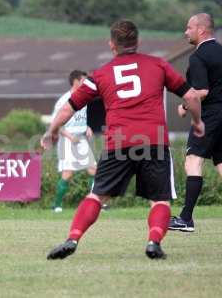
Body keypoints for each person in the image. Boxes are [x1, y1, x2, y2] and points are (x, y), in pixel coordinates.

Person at [41, 19, 205, 260]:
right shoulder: (158, 65)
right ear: (137, 42)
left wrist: (52, 131)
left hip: (118, 142)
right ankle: (153, 242)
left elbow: (68, 107)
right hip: (153, 141)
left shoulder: (100, 75)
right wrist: (197, 122)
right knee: (159, 199)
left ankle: (73, 238)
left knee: (96, 195)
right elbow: (191, 96)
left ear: (111, 45)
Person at [169, 13, 222, 232]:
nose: (186, 32)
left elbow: (201, 91)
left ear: (201, 30)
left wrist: (183, 106)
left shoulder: (198, 56)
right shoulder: (220, 51)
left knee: (193, 161)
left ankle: (186, 218)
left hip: (210, 116)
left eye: (189, 28)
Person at [51, 70, 97, 213]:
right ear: (76, 81)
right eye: (83, 80)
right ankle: (56, 205)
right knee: (68, 174)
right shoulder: (64, 100)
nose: (85, 83)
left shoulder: (83, 98)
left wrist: (87, 127)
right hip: (68, 141)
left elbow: (80, 119)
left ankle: (95, 204)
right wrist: (70, 136)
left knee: (93, 170)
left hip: (81, 139)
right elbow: (55, 124)